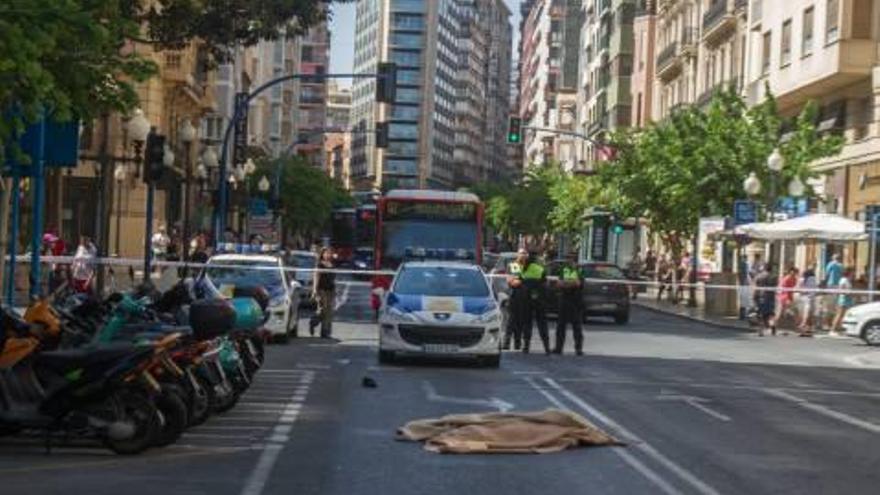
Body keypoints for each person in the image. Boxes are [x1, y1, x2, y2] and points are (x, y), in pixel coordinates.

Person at [553, 252, 584, 356]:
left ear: (575, 259)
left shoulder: (579, 269)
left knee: (577, 326)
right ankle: (558, 348)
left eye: (570, 258)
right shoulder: (563, 269)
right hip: (564, 299)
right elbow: (559, 283)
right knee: (560, 326)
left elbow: (578, 283)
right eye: (567, 258)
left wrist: (566, 284)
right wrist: (570, 284)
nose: (567, 260)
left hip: (575, 301)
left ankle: (578, 349)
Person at [520, 250, 550, 354]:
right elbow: (546, 285)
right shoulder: (541, 269)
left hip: (526, 300)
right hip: (539, 300)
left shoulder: (524, 269)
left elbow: (520, 282)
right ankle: (546, 347)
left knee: (527, 323)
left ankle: (526, 347)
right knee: (542, 323)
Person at [502, 248, 529, 351]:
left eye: (525, 254)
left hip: (525, 298)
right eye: (521, 253)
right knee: (510, 321)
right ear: (518, 254)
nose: (523, 256)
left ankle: (518, 344)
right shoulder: (513, 265)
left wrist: (520, 280)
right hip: (514, 296)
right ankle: (506, 343)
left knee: (521, 322)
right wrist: (524, 281)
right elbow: (511, 281)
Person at [309, 247, 337, 339]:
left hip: (331, 290)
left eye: (330, 253)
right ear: (322, 254)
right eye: (326, 253)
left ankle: (325, 332)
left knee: (329, 311)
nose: (328, 255)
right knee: (323, 310)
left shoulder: (333, 264)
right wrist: (314, 290)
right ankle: (313, 322)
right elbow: (316, 277)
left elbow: (333, 278)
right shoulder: (319, 265)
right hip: (321, 290)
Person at [753, 263, 778, 336]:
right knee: (770, 313)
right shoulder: (774, 277)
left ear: (764, 268)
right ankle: (772, 325)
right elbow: (775, 288)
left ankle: (761, 330)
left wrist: (754, 297)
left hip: (761, 297)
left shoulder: (759, 276)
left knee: (760, 314)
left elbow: (755, 288)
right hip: (771, 297)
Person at [830, 267, 855, 337]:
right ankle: (832, 330)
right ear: (848, 272)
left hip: (848, 299)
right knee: (839, 314)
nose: (853, 273)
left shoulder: (848, 280)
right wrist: (846, 293)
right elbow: (841, 289)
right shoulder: (843, 280)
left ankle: (839, 328)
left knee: (843, 315)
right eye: (852, 272)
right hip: (843, 299)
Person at [797, 266, 818, 337]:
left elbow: (799, 288)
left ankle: (806, 329)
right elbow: (815, 288)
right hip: (810, 298)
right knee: (809, 313)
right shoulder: (813, 279)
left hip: (803, 297)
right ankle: (804, 326)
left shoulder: (802, 279)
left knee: (805, 313)